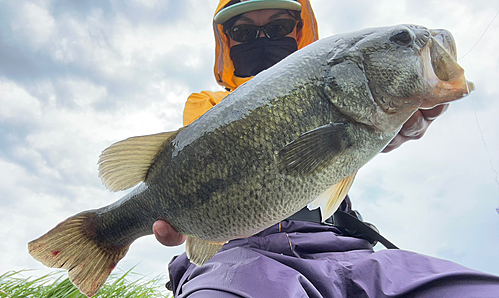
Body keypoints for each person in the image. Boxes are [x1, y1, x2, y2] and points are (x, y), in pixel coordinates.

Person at [153, 1, 499, 297]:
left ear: (300, 31)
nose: (263, 39)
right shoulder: (208, 105)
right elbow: (201, 164)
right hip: (237, 253)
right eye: (243, 33)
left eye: (279, 26)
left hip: (343, 245)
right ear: (225, 42)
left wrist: (400, 125)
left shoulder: (339, 88)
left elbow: (354, 139)